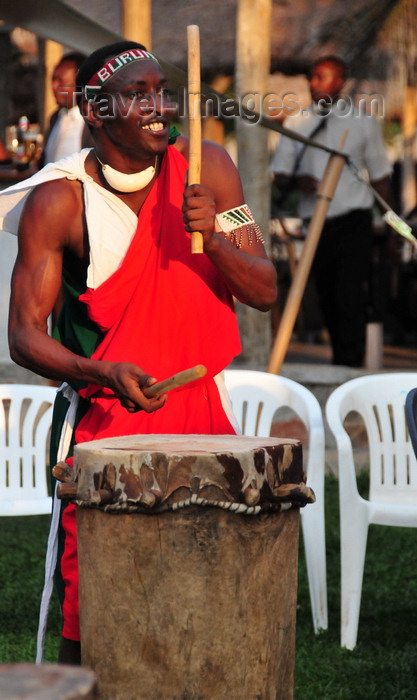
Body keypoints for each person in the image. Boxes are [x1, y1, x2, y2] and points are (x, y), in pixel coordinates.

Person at [3, 41, 277, 665]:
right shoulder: (60, 200)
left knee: (207, 591)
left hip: (200, 411)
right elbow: (24, 336)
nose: (159, 106)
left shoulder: (209, 167)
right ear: (95, 111)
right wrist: (101, 371)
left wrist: (215, 236)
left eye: (163, 90)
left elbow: (263, 289)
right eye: (137, 94)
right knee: (95, 600)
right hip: (105, 424)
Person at [271, 55, 392, 367]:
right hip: (316, 223)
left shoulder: (364, 122)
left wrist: (391, 222)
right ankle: (340, 362)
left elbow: (380, 177)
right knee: (324, 294)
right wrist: (299, 180)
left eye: (322, 77)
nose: (313, 83)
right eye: (312, 77)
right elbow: (280, 172)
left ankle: (349, 367)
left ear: (340, 82)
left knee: (350, 294)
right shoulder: (297, 121)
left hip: (354, 221)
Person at [42, 52, 90, 165]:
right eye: (53, 79)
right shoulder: (55, 118)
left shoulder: (94, 121)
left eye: (60, 81)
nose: (54, 86)